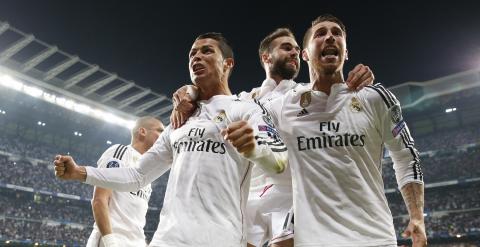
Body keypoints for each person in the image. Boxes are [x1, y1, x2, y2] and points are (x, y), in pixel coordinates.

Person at [54, 32, 287, 247]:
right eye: (192, 54)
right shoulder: (179, 121)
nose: (197, 57)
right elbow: (137, 175)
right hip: (167, 239)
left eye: (207, 51)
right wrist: (80, 172)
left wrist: (255, 149)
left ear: (228, 63)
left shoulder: (247, 109)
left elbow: (279, 161)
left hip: (220, 238)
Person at [169, 28, 374, 247]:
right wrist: (189, 91)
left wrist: (361, 79)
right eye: (286, 48)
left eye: (297, 49)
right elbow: (214, 99)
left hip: (292, 194)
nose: (294, 53)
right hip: (251, 196)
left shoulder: (306, 94)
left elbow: (338, 94)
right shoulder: (245, 100)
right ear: (266, 57)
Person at [265, 14, 427, 247]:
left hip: (374, 239)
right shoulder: (284, 105)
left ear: (346, 52)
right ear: (305, 54)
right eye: (320, 34)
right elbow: (238, 111)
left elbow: (406, 157)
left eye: (336, 33)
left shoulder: (375, 98)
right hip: (313, 242)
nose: (330, 36)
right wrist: (192, 93)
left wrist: (417, 218)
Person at [86, 116, 164, 247]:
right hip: (114, 239)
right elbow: (99, 200)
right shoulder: (121, 152)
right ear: (143, 131)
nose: (163, 136)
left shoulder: (147, 170)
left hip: (136, 242)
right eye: (160, 131)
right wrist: (110, 242)